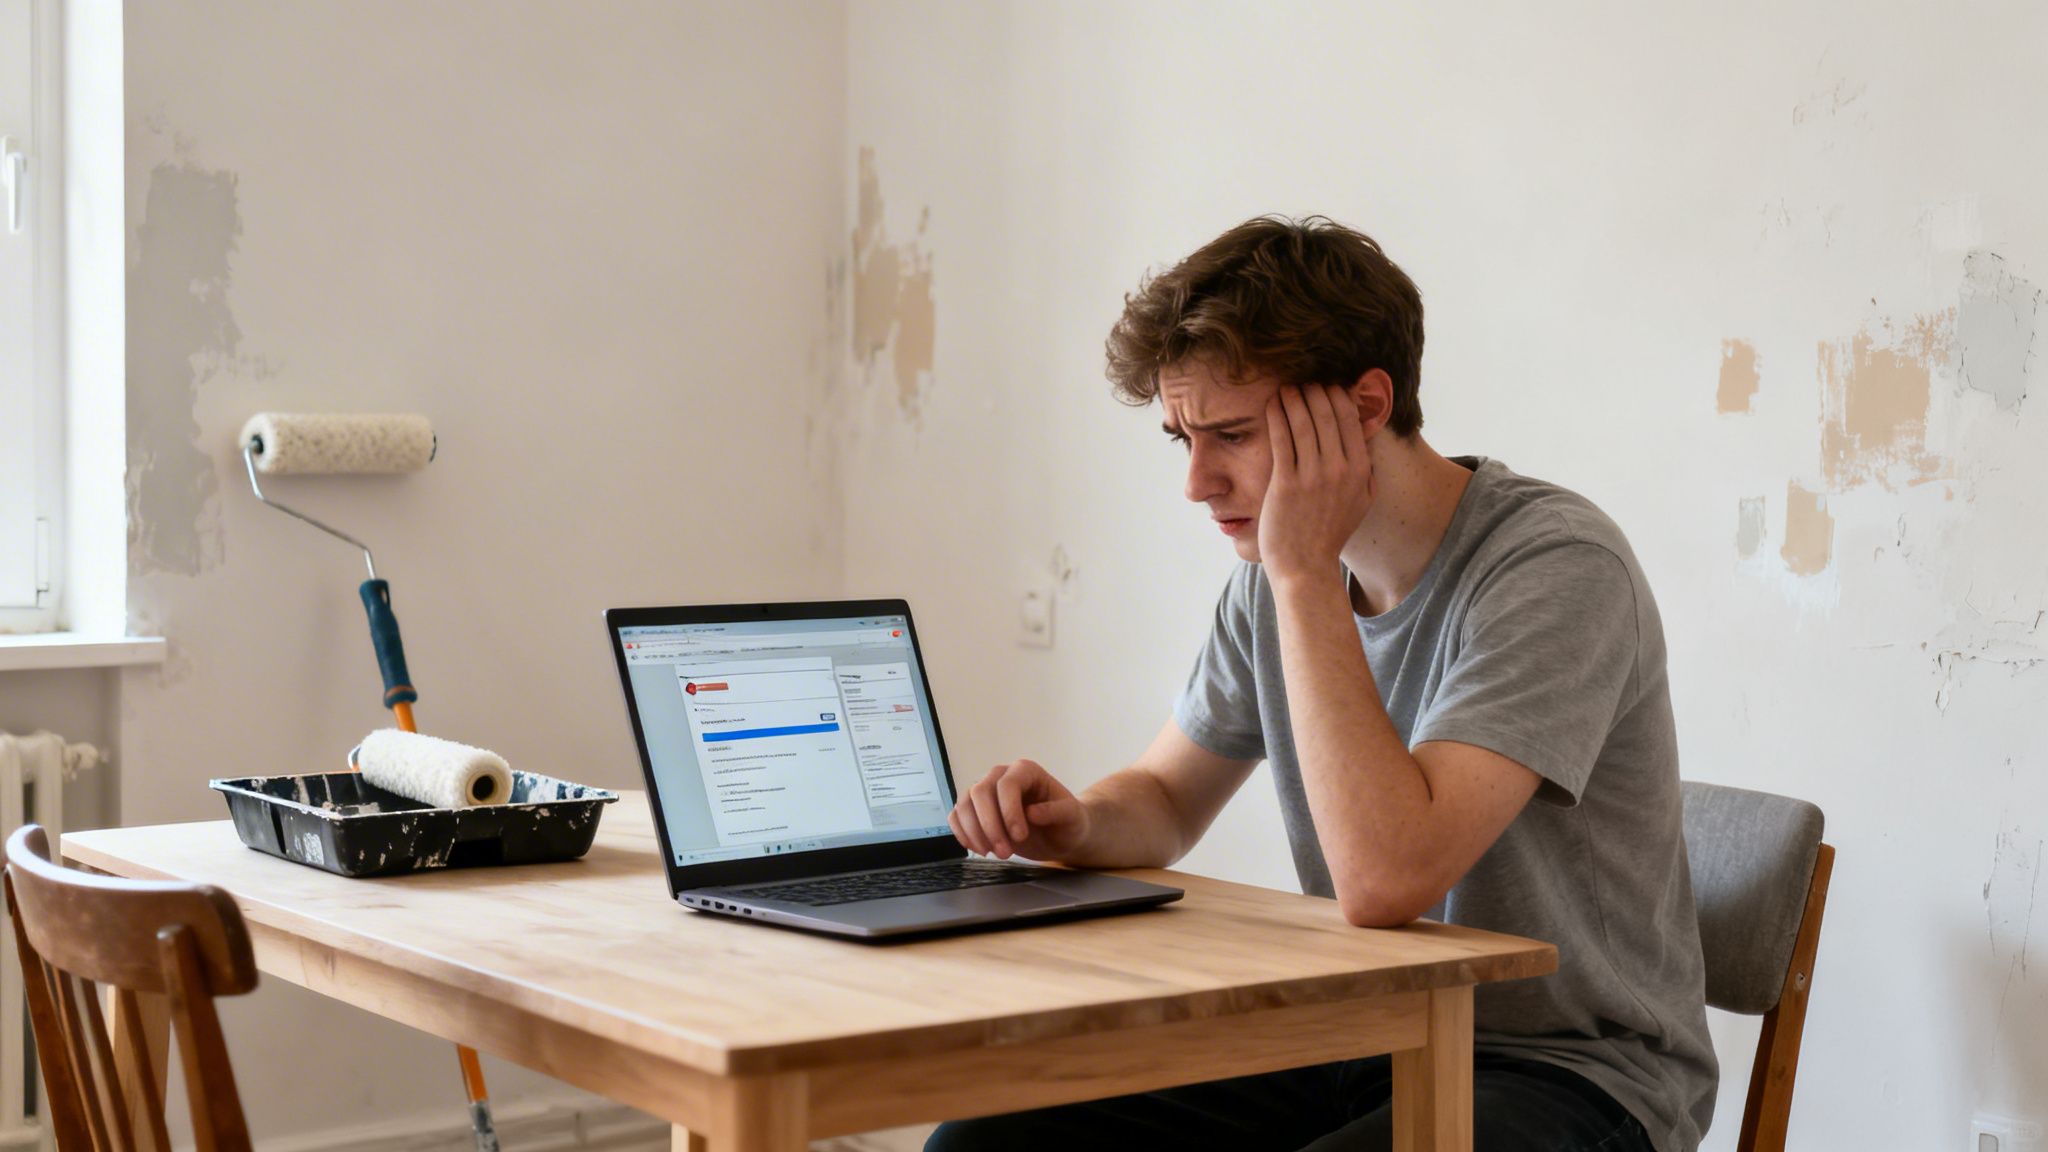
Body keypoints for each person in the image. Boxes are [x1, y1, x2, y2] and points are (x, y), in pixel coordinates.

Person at [929, 216, 1716, 1152]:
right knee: (985, 1142)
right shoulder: (1270, 578)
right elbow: (1168, 799)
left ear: (1365, 406)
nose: (1195, 482)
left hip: (1574, 1072)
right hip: (1367, 1035)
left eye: (1230, 434)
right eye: (1180, 437)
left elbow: (1387, 880)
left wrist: (1301, 573)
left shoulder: (1556, 567)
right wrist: (1080, 822)